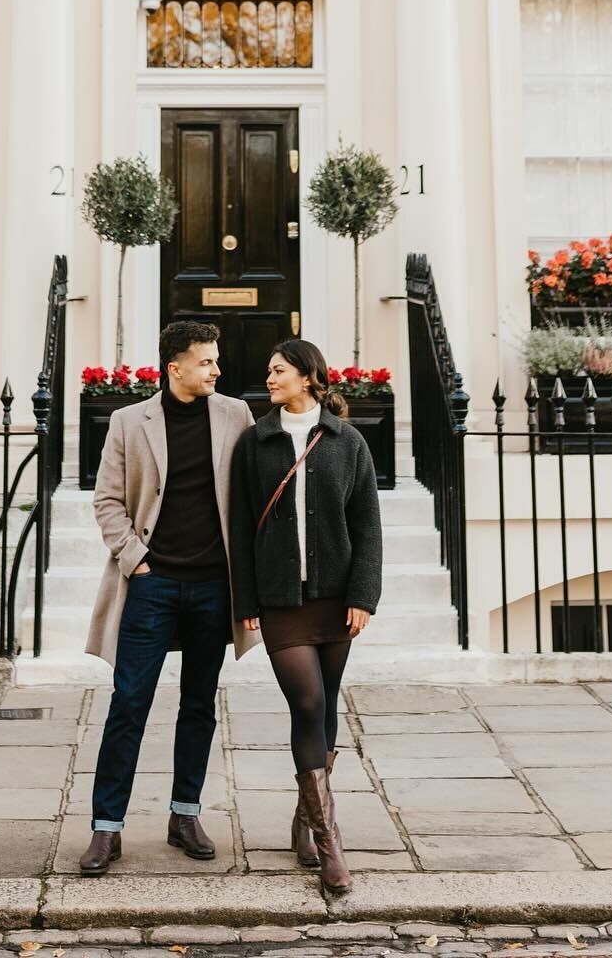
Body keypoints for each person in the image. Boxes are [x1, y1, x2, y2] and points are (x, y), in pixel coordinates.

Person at [78, 320, 257, 876]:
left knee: (199, 703)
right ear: (175, 366)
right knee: (129, 702)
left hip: (213, 586)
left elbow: (252, 495)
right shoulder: (130, 421)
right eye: (206, 361)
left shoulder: (236, 416)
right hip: (151, 584)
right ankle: (106, 828)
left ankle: (185, 815)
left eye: (216, 360)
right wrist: (139, 561)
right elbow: (107, 501)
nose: (217, 370)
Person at [229, 338, 382, 895]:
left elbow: (367, 525)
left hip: (337, 598)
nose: (269, 378)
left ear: (308, 377)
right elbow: (241, 527)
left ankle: (305, 821)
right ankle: (330, 843)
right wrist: (245, 602)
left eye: (278, 370)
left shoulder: (349, 442)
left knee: (327, 704)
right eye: (269, 371)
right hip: (279, 602)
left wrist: (363, 595)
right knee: (309, 701)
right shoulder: (256, 442)